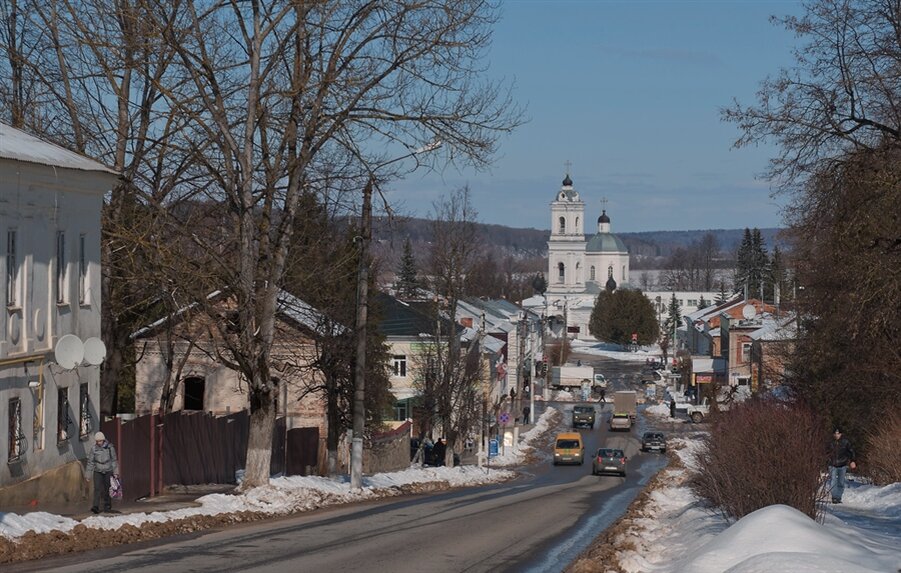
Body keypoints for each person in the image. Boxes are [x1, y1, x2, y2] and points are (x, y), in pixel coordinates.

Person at [85, 431, 119, 514]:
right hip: (98, 471)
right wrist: (88, 475)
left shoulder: (110, 448)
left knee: (107, 488)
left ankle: (107, 506)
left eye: (100, 441)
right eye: (97, 441)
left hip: (108, 470)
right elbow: (90, 462)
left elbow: (114, 460)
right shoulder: (94, 449)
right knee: (97, 489)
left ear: (103, 440)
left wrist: (116, 472)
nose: (98, 443)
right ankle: (95, 506)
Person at [827, 427, 856, 504]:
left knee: (841, 482)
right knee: (833, 481)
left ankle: (838, 497)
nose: (837, 435)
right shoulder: (830, 442)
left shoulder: (845, 442)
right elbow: (825, 452)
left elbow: (851, 452)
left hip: (842, 464)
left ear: (841, 434)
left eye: (838, 433)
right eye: (835, 433)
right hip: (832, 464)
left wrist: (852, 461)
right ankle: (834, 497)